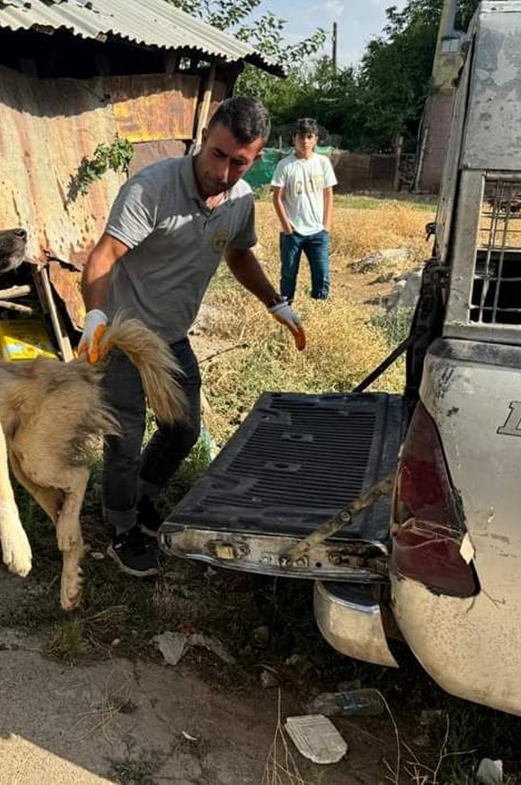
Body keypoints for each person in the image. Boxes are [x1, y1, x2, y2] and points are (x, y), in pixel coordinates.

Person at [78, 97, 306, 577]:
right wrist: (96, 316)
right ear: (205, 138)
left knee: (182, 430)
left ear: (256, 158)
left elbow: (239, 256)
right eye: (218, 155)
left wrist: (275, 302)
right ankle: (120, 528)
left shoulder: (240, 200)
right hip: (122, 335)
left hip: (172, 337)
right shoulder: (151, 189)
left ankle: (138, 498)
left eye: (239, 162)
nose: (223, 172)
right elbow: (102, 257)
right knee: (124, 437)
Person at [270, 117, 338, 302]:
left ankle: (319, 309)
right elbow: (277, 197)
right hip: (293, 232)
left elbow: (328, 194)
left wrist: (326, 226)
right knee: (289, 275)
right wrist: (287, 227)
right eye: (301, 137)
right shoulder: (285, 165)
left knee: (322, 274)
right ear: (294, 139)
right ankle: (286, 310)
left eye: (309, 137)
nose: (305, 141)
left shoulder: (323, 163)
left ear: (316, 139)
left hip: (318, 232)